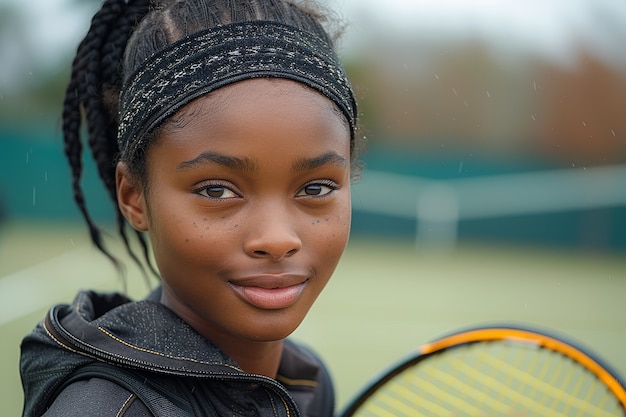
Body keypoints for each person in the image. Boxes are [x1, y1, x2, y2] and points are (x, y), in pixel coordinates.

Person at [19, 0, 359, 416]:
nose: (277, 239)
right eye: (217, 191)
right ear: (133, 196)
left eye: (316, 187)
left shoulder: (307, 383)